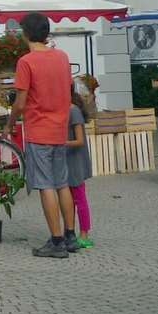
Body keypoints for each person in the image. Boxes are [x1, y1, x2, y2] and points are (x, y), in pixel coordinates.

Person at [5, 13, 77, 258]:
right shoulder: (62, 57)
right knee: (62, 183)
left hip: (39, 129)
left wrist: (10, 123)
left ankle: (56, 242)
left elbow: (20, 102)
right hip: (59, 128)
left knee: (45, 185)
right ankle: (70, 235)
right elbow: (68, 91)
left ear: (25, 33)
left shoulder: (26, 62)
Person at [67, 83, 94, 250]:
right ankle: (68, 231)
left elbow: (79, 141)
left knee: (79, 198)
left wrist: (60, 143)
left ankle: (84, 234)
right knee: (67, 199)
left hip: (75, 161)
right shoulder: (64, 110)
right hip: (66, 160)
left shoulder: (73, 111)